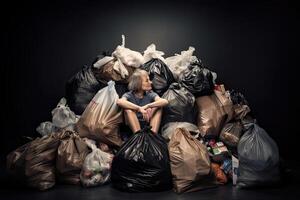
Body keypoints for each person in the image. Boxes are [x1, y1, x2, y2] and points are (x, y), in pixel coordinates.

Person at [116, 69, 168, 134]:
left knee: (159, 108)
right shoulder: (129, 95)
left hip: (147, 123)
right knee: (128, 110)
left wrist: (148, 106)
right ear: (138, 83)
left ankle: (152, 136)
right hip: (133, 127)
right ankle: (138, 136)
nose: (151, 82)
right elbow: (119, 102)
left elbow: (165, 101)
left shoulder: (150, 94)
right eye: (147, 81)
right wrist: (139, 108)